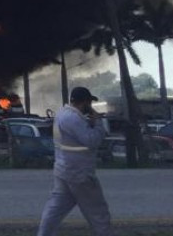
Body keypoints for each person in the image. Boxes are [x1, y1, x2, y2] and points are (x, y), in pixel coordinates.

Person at [37, 86, 112, 236]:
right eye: (89, 103)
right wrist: (97, 123)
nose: (90, 107)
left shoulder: (62, 114)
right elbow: (92, 140)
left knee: (55, 208)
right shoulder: (73, 119)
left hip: (63, 169)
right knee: (98, 212)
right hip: (79, 172)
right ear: (83, 102)